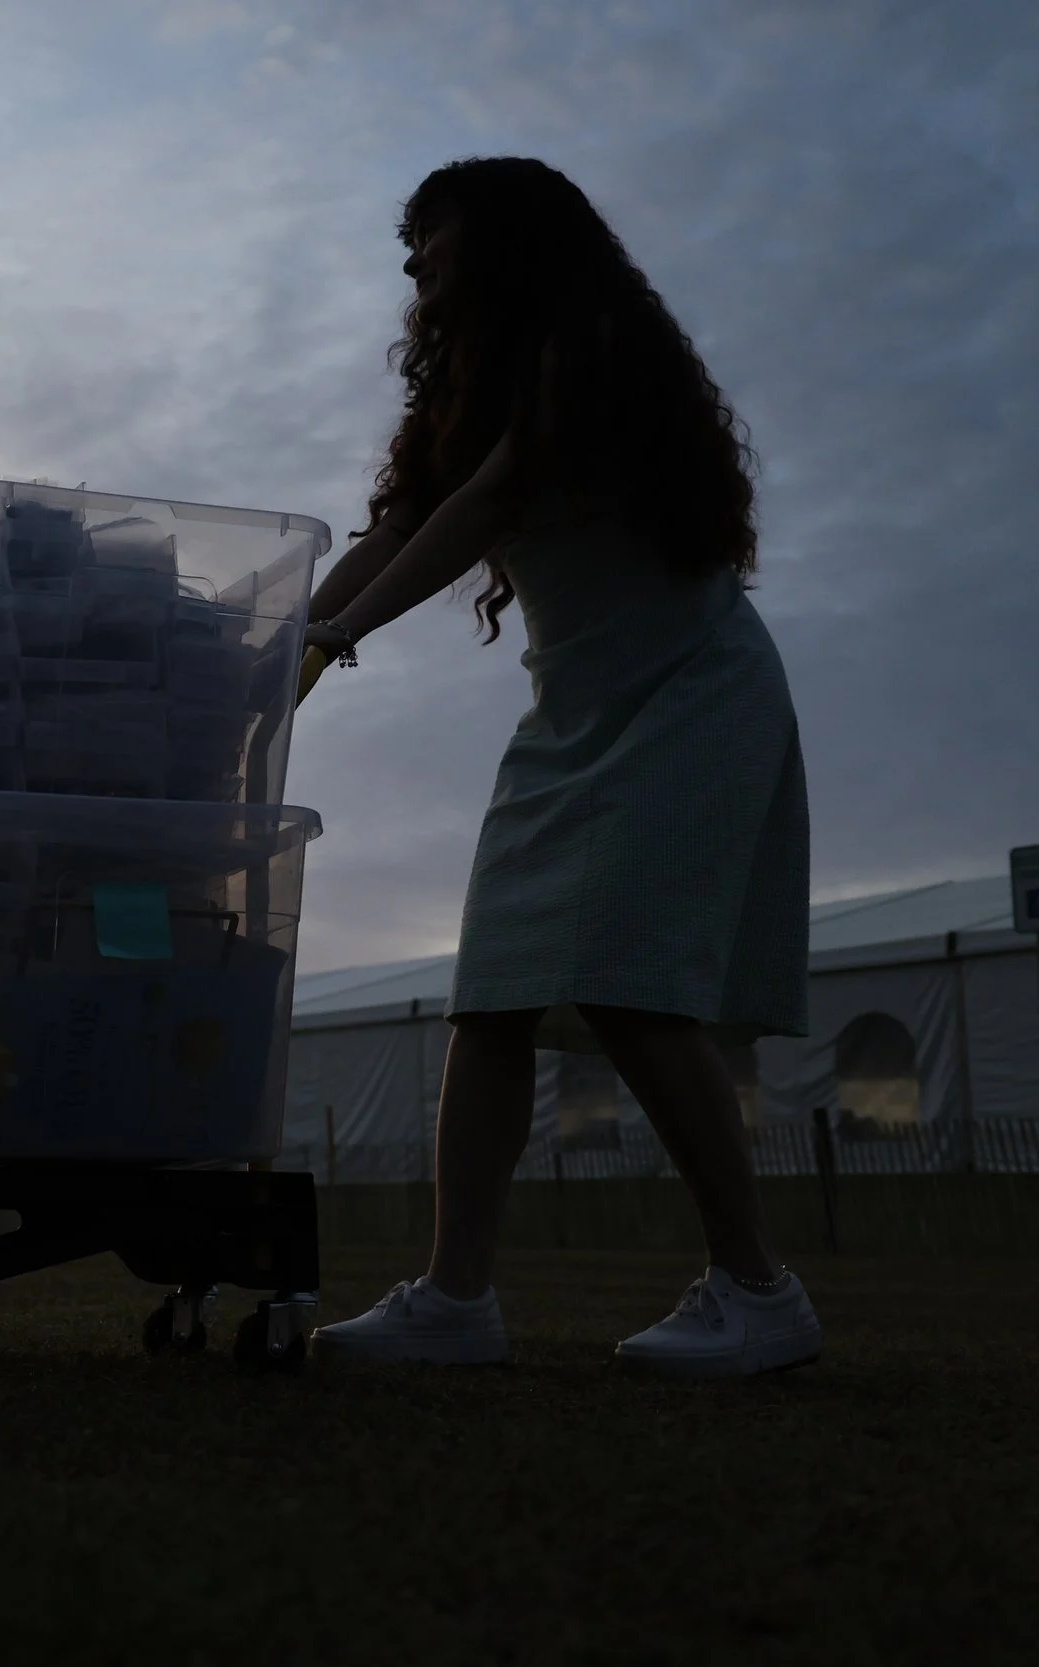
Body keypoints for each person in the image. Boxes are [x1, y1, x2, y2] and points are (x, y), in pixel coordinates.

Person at [300, 159, 820, 1378]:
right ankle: (454, 1298)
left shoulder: (589, 345)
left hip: (693, 697)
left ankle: (760, 1291)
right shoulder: (472, 386)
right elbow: (398, 523)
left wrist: (335, 636)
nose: (413, 261)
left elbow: (489, 504)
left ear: (507, 236)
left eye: (430, 235)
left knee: (633, 985)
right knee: (489, 999)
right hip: (573, 714)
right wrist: (273, 646)